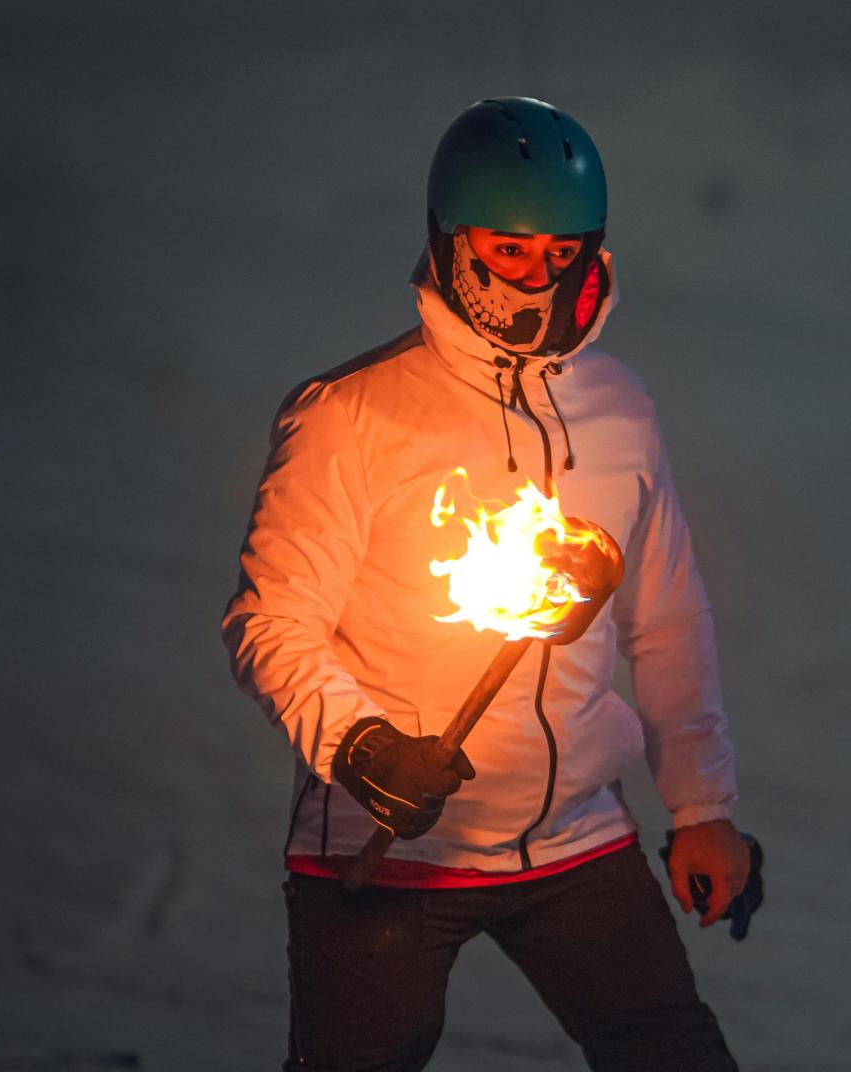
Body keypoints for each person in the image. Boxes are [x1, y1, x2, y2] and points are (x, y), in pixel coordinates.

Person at [222, 96, 749, 1072]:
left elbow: (668, 619)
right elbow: (272, 621)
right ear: (448, 237)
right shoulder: (351, 415)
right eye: (509, 250)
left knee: (675, 1057)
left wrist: (700, 807)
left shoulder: (617, 409)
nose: (538, 277)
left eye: (561, 251)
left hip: (575, 837)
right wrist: (363, 745)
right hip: (386, 846)